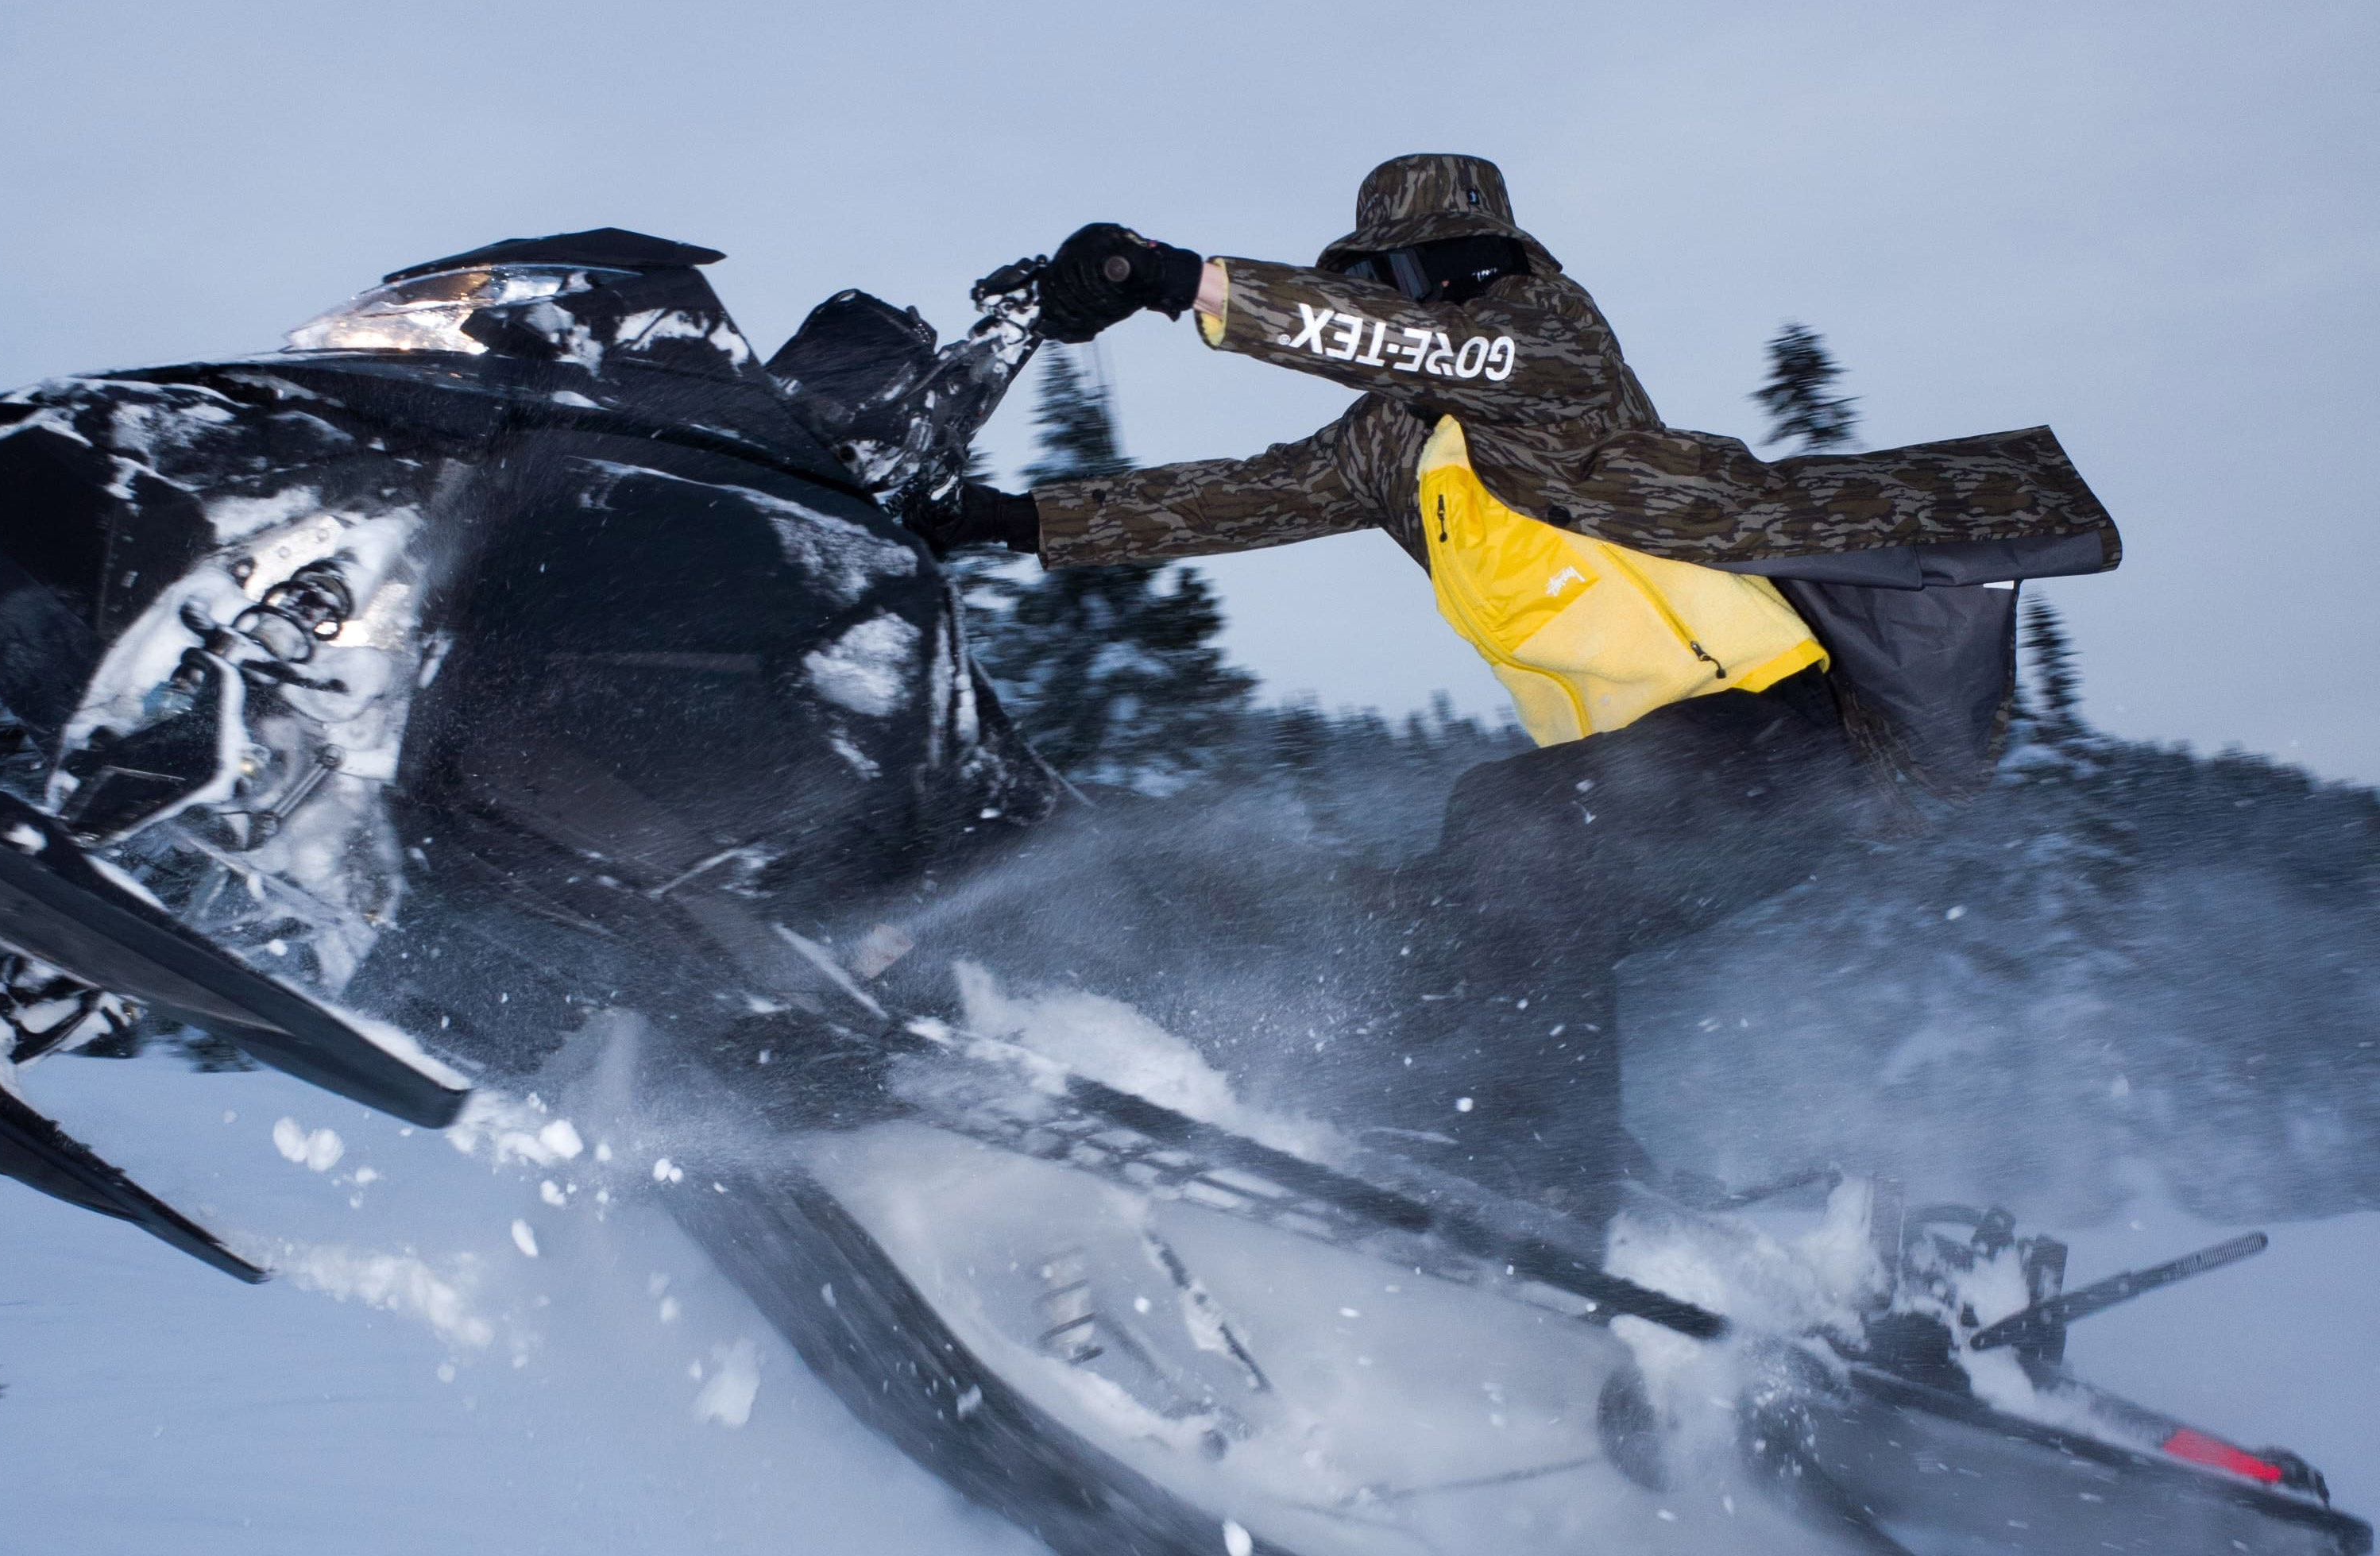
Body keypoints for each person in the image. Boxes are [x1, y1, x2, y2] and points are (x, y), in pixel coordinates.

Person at [907, 154, 2119, 1221]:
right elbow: (1235, 498)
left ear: (1452, 272)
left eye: (1396, 283)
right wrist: (1007, 519)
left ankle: (1550, 1183)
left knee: (1514, 824)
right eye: (1369, 287)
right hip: (1649, 789)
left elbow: (1442, 350)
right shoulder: (1398, 447)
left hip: (1786, 741)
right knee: (1409, 927)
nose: (1387, 312)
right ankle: (1480, 1156)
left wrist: (1178, 281)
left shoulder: (1551, 354)